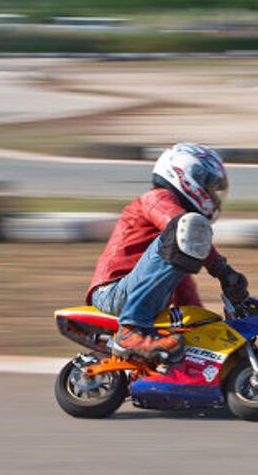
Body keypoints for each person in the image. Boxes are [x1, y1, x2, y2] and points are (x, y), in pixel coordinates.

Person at [86, 143, 249, 362]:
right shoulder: (156, 198)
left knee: (183, 249)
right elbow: (178, 225)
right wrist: (221, 269)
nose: (213, 195)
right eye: (210, 187)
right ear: (189, 175)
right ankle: (130, 331)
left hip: (136, 293)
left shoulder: (174, 249)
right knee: (186, 230)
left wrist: (204, 328)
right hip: (114, 292)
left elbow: (180, 284)